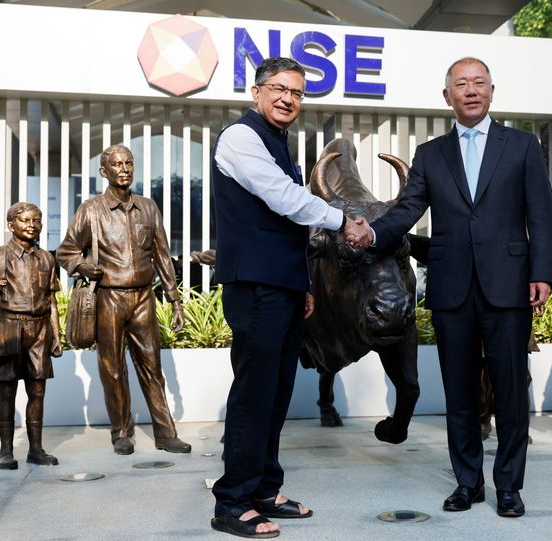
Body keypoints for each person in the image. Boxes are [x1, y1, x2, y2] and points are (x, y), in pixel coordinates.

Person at [347, 57, 552, 518]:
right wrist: (373, 233)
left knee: (510, 392)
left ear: (492, 91)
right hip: (452, 288)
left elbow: (540, 215)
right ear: (448, 97)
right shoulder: (430, 154)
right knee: (458, 392)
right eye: (461, 84)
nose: (470, 90)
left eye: (478, 82)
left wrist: (541, 273)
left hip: (508, 285)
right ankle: (468, 482)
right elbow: (406, 211)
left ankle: (509, 487)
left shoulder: (522, 146)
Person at [209, 57, 361, 539]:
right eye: (278, 89)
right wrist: (344, 220)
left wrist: (305, 285)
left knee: (275, 394)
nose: (287, 99)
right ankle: (232, 501)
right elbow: (280, 199)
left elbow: (286, 228)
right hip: (254, 285)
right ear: (256, 93)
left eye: (296, 93)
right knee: (254, 394)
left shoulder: (279, 142)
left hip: (283, 286)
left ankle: (264, 488)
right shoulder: (240, 138)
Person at [56, 144, 191, 456]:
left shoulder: (148, 207)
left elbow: (162, 256)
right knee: (112, 368)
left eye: (129, 163)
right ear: (104, 171)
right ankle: (121, 432)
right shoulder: (91, 210)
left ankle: (166, 433)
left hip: (144, 297)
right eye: (116, 164)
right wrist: (83, 265)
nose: (124, 168)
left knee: (152, 366)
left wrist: (174, 300)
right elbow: (65, 251)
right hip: (109, 297)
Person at [0, 202, 63, 469]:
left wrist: (57, 336)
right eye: (26, 220)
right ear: (11, 225)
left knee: (37, 391)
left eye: (36, 221)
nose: (32, 225)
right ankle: (6, 451)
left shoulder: (47, 259)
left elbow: (51, 301)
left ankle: (36, 449)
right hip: (9, 327)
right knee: (6, 392)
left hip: (39, 330)